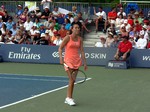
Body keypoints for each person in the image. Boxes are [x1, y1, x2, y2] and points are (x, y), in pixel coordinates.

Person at [58, 23, 87, 106]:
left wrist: (85, 63)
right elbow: (60, 48)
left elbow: (82, 51)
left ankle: (68, 98)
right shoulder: (67, 38)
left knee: (73, 80)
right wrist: (61, 58)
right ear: (72, 29)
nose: (77, 29)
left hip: (77, 61)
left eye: (78, 28)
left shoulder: (80, 39)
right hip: (68, 61)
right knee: (71, 79)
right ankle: (69, 98)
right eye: (75, 27)